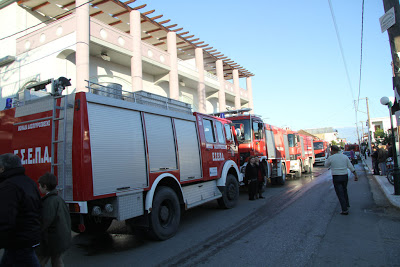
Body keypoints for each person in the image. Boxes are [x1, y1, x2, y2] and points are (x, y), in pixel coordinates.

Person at [0, 153, 42, 267]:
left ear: (3, 168)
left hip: (18, 240)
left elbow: (5, 218)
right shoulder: (30, 182)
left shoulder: (8, 186)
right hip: (30, 236)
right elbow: (39, 208)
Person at [36, 173, 71, 267]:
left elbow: (45, 221)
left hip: (51, 240)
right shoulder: (58, 199)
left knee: (40, 261)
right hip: (60, 238)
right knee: (57, 260)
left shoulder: (48, 202)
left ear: (45, 186)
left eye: (39, 185)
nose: (39, 188)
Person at [324, 145, 358, 215]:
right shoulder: (344, 157)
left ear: (332, 150)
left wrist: (328, 156)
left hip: (336, 176)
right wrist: (355, 175)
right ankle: (347, 204)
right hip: (345, 176)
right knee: (344, 190)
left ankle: (344, 209)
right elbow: (350, 166)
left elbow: (326, 165)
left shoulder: (331, 158)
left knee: (340, 193)